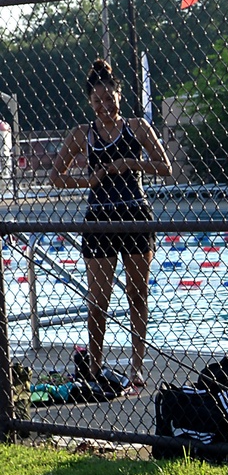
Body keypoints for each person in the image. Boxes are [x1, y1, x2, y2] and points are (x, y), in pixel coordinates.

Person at [49, 57, 172, 394]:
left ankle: (136, 365)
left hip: (134, 215)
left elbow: (166, 167)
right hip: (99, 219)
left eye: (109, 99)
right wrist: (91, 178)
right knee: (98, 299)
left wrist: (131, 163)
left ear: (119, 95)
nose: (104, 106)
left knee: (137, 294)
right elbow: (56, 177)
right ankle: (95, 365)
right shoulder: (82, 134)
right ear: (90, 103)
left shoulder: (137, 127)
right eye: (97, 101)